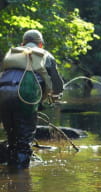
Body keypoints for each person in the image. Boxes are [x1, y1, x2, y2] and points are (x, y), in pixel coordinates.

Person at [0, 29, 64, 169]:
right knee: (23, 142)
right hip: (26, 98)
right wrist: (55, 95)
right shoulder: (45, 55)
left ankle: (10, 177)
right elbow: (58, 85)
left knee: (12, 138)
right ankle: (20, 181)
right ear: (40, 44)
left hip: (3, 96)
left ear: (22, 43)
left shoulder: (11, 54)